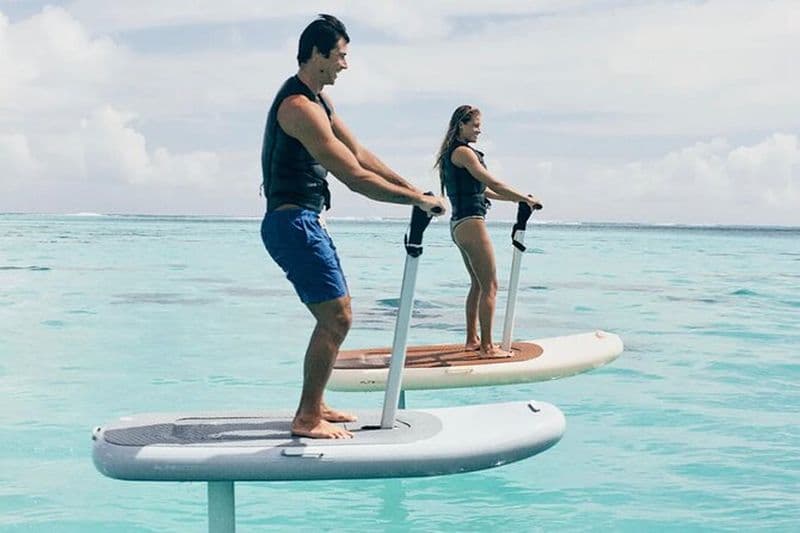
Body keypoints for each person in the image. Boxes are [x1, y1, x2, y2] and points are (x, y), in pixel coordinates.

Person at [260, 15, 445, 439]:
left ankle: (316, 403)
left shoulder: (320, 101)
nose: (345, 65)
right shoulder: (298, 108)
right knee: (337, 318)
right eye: (340, 56)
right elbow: (354, 178)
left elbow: (360, 153)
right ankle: (306, 418)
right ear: (318, 54)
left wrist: (415, 189)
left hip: (305, 221)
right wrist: (415, 201)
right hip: (292, 223)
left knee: (335, 316)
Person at [435, 105, 541, 358]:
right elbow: (493, 182)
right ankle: (487, 347)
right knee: (491, 285)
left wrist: (518, 200)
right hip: (471, 223)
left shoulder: (456, 153)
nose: (479, 130)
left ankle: (473, 339)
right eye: (475, 125)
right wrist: (525, 197)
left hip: (459, 224)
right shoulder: (463, 153)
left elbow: (483, 191)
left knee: (478, 284)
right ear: (461, 124)